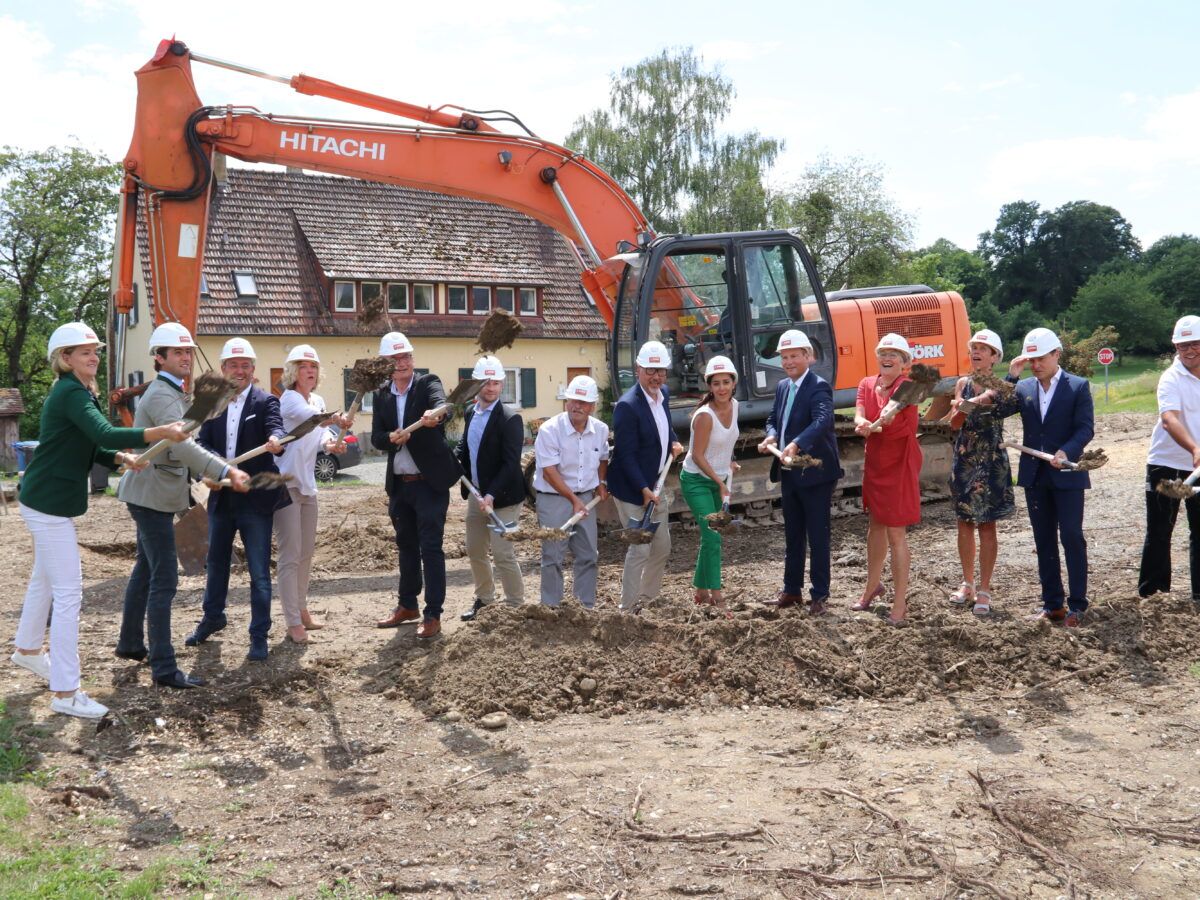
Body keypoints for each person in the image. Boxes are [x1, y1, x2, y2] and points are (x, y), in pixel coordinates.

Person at [12, 322, 187, 718]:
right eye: (84, 351)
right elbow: (105, 432)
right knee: (70, 593)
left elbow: (89, 442)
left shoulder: (78, 391)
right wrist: (160, 431)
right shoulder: (71, 391)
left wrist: (119, 459)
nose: (93, 357)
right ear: (65, 359)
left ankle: (26, 651)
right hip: (48, 505)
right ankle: (67, 692)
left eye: (95, 350)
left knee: (44, 580)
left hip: (45, 499)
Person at [115, 323, 251, 689]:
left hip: (154, 495)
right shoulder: (160, 396)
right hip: (151, 498)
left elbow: (196, 419)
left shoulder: (172, 391)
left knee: (146, 570)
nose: (186, 357)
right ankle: (164, 667)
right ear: (159, 358)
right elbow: (183, 446)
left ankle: (130, 643)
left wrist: (224, 392)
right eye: (177, 353)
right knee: (165, 580)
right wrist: (226, 470)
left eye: (188, 352)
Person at [187, 338, 289, 660]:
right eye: (234, 365)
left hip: (254, 499)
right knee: (216, 564)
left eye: (246, 365)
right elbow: (202, 444)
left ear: (253, 369)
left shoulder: (265, 402)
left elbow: (276, 428)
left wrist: (276, 440)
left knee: (259, 570)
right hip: (222, 498)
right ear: (223, 369)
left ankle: (259, 634)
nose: (240, 370)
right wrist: (215, 471)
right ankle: (213, 618)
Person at [372, 332, 463, 638]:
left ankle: (433, 613)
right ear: (386, 364)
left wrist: (434, 416)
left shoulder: (427, 383)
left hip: (430, 484)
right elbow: (376, 437)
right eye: (396, 359)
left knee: (431, 548)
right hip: (400, 485)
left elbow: (444, 405)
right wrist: (390, 438)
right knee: (406, 547)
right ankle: (407, 604)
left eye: (407, 357)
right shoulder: (382, 393)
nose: (403, 363)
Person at [1002, 327, 1095, 627]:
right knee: (1044, 540)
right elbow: (998, 410)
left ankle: (1078, 605)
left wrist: (1067, 451)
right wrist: (1011, 377)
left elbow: (1085, 428)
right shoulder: (1024, 387)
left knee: (1071, 536)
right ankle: (1052, 604)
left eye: (1041, 358)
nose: (1036, 364)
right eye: (1031, 360)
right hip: (1035, 474)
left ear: (1056, 354)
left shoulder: (1078, 386)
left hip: (1067, 476)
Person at [757, 331, 843, 615]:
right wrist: (771, 436)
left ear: (809, 356)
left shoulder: (818, 387)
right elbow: (773, 419)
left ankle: (819, 595)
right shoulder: (783, 386)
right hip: (790, 472)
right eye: (785, 357)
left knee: (818, 536)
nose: (789, 361)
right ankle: (792, 591)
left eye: (795, 356)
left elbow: (822, 420)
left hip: (815, 472)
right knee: (793, 535)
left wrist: (795, 443)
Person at [274, 344, 348, 643]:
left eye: (314, 367)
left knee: (306, 554)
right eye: (304, 367)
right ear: (293, 372)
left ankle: (302, 611)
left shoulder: (317, 399)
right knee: (290, 555)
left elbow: (321, 437)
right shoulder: (290, 399)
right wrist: (337, 418)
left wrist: (333, 444)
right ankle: (292, 621)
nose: (310, 371)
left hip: (307, 484)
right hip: (286, 484)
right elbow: (315, 420)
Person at [944, 329, 1018, 617]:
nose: (976, 352)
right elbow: (953, 424)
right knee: (964, 523)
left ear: (995, 357)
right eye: (974, 347)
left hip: (991, 461)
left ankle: (985, 589)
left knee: (987, 525)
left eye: (983, 348)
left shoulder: (1002, 385)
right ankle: (968, 584)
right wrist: (961, 409)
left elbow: (1007, 404)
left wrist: (974, 403)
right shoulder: (962, 382)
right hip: (965, 459)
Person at [608, 340, 684, 613]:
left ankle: (647, 599)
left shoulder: (662, 393)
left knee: (661, 546)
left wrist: (673, 441)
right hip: (631, 488)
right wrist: (642, 488)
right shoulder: (628, 406)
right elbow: (626, 455)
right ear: (638, 369)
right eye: (651, 370)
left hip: (655, 483)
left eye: (661, 370)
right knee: (640, 548)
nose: (657, 376)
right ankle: (627, 609)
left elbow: (663, 427)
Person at [852, 333, 922, 624]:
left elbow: (894, 411)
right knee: (875, 525)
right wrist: (864, 423)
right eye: (883, 352)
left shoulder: (908, 387)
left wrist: (884, 420)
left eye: (895, 353)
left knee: (896, 534)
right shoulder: (866, 384)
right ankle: (872, 587)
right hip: (876, 462)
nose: (887, 357)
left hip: (899, 464)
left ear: (905, 363)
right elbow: (858, 413)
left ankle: (899, 603)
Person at [457, 355, 526, 622]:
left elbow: (510, 465)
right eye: (486, 382)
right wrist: (455, 457)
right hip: (477, 494)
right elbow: (466, 445)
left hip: (504, 497)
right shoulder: (470, 412)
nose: (491, 387)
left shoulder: (510, 419)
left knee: (502, 552)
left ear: (502, 384)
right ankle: (485, 600)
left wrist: (492, 495)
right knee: (474, 549)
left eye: (496, 382)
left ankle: (515, 607)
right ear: (477, 384)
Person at [533, 375, 609, 610]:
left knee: (588, 555)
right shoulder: (549, 430)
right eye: (573, 400)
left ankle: (584, 607)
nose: (577, 406)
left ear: (593, 406)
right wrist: (573, 500)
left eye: (583, 402)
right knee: (553, 556)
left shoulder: (600, 430)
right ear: (566, 402)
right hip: (553, 500)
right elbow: (549, 472)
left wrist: (601, 482)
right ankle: (550, 608)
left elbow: (603, 457)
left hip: (586, 497)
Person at [1139, 316, 1200, 603]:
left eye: (1196, 344)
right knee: (1160, 532)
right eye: (1182, 345)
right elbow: (1169, 420)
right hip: (1166, 463)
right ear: (1175, 346)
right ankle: (1153, 598)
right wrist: (1195, 449)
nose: (1189, 351)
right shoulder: (1171, 378)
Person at [680, 356, 740, 607]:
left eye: (726, 382)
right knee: (714, 534)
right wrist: (720, 481)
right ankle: (717, 595)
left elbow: (727, 439)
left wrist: (730, 460)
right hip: (697, 480)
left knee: (709, 536)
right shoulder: (704, 416)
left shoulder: (735, 406)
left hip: (718, 478)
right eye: (716, 383)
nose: (722, 388)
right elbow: (697, 454)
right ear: (709, 387)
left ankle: (701, 590)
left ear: (733, 383)